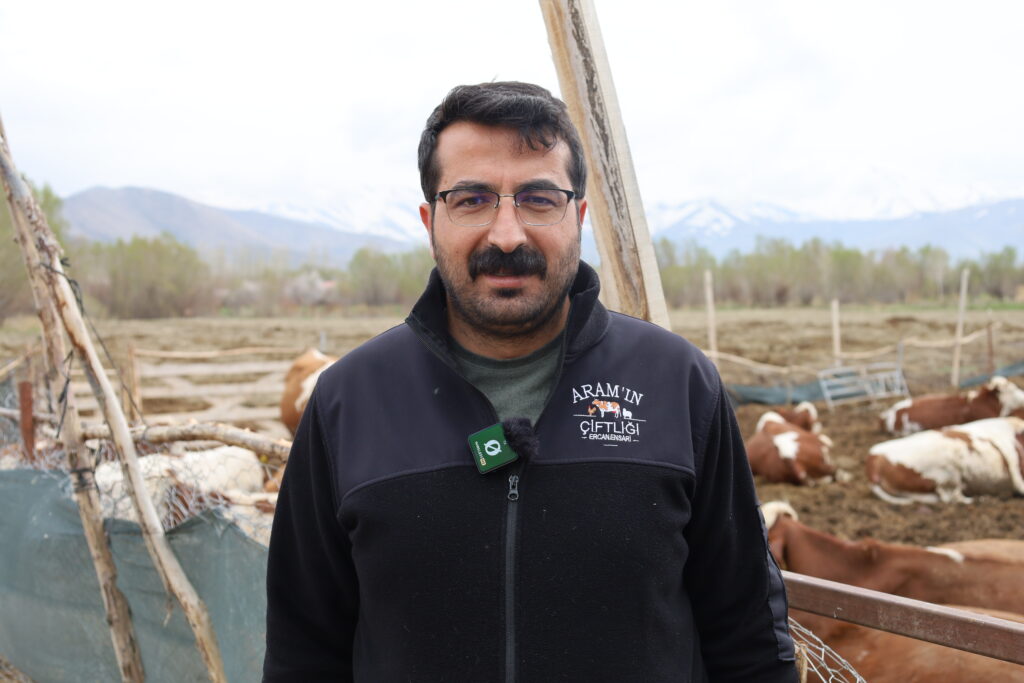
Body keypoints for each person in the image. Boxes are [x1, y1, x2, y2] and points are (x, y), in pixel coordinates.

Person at [263, 81, 798, 682]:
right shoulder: (348, 401)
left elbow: (749, 636)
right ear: (430, 221)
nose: (507, 235)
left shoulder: (679, 383)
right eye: (471, 200)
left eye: (539, 199)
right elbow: (302, 651)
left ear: (579, 217)